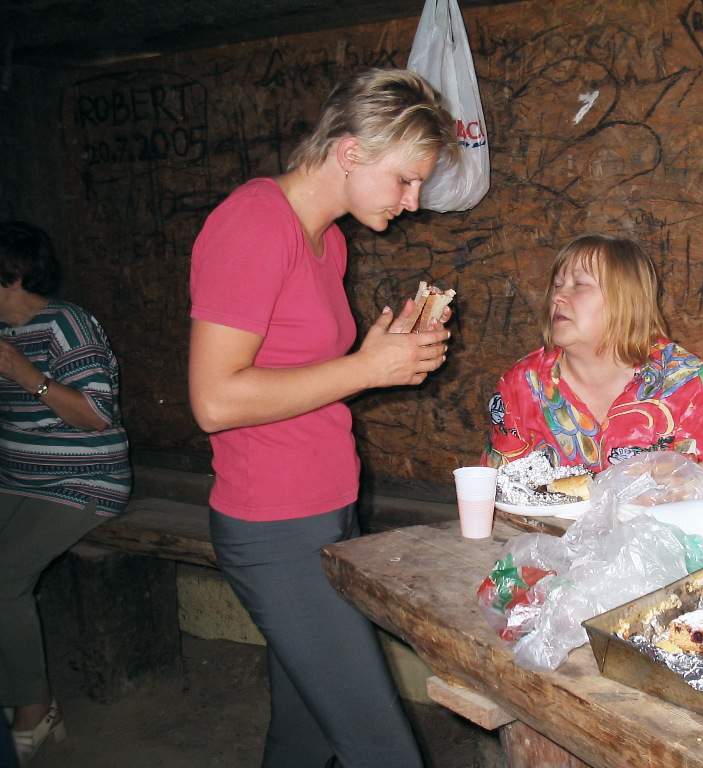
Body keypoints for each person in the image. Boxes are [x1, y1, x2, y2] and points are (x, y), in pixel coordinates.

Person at [188, 68, 455, 768]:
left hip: (328, 507)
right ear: (350, 152)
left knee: (305, 734)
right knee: (384, 749)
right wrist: (365, 369)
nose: (413, 201)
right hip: (274, 527)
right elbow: (215, 401)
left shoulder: (328, 238)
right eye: (405, 180)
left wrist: (381, 358)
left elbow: (300, 376)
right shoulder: (253, 222)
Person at [0, 221, 131, 764]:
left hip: (81, 480)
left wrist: (22, 372)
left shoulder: (66, 324)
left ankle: (35, 708)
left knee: (3, 578)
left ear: (13, 274)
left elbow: (97, 415)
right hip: (16, 479)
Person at [484, 234, 703, 489]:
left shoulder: (687, 384)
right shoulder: (522, 384)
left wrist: (680, 491)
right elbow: (496, 494)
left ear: (625, 298)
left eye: (579, 284)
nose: (557, 297)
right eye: (557, 285)